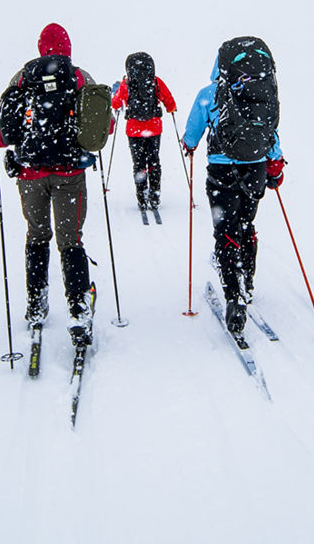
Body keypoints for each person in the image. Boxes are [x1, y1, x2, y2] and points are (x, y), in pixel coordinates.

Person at [0, 23, 101, 344]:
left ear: (40, 48)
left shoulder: (22, 78)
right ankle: (78, 308)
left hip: (30, 175)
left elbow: (4, 127)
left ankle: (36, 303)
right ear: (68, 47)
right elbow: (99, 122)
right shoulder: (78, 77)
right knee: (70, 240)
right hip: (68, 174)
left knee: (37, 236)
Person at [179, 36, 285, 337]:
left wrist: (189, 145)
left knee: (225, 230)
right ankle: (247, 281)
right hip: (256, 168)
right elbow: (270, 132)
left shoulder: (208, 94)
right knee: (245, 223)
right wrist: (275, 163)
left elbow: (191, 135)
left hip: (221, 171)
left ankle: (233, 295)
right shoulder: (260, 94)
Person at [110, 51, 178, 217]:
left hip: (134, 130)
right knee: (154, 160)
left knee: (139, 163)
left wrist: (120, 90)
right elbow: (169, 101)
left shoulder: (126, 84)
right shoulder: (155, 81)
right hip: (154, 128)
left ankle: (142, 197)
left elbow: (115, 103)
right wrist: (171, 109)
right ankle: (155, 196)